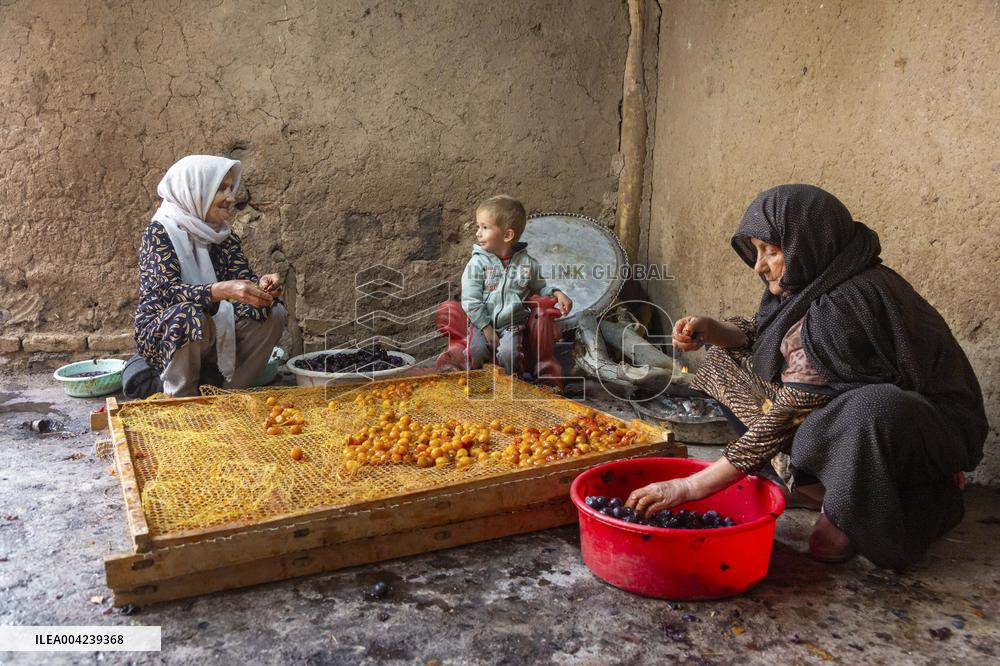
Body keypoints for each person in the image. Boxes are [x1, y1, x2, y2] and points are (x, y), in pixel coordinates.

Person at [627, 184, 987, 569]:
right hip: (847, 417)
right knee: (723, 363)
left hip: (926, 429)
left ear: (809, 242)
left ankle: (909, 500)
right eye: (757, 250)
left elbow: (790, 412)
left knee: (868, 411)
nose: (759, 265)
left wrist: (691, 486)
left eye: (772, 250)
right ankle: (816, 489)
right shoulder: (814, 279)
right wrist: (716, 331)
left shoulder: (844, 305)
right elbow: (774, 340)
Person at [133, 155, 288, 397]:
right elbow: (165, 294)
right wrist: (223, 290)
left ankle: (226, 395)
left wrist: (263, 289)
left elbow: (242, 280)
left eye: (230, 188)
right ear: (196, 190)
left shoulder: (222, 236)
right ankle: (182, 397)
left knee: (272, 312)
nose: (231, 197)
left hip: (215, 326)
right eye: (222, 189)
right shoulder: (160, 232)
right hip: (167, 333)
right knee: (188, 315)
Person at [436, 195, 572, 375]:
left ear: (507, 235)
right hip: (480, 323)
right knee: (475, 351)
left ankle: (510, 388)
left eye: (485, 227)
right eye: (478, 226)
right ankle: (476, 385)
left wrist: (557, 293)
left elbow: (540, 288)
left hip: (512, 324)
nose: (478, 233)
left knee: (510, 353)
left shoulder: (527, 264)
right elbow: (470, 299)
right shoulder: (477, 264)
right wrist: (486, 329)